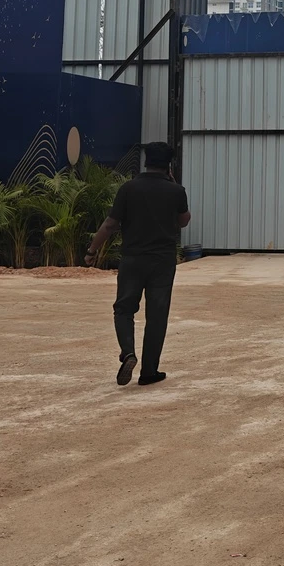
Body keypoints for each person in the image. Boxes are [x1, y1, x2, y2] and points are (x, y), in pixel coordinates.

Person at [85, 142, 191, 387]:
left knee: (124, 308)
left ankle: (128, 353)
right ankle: (149, 372)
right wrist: (174, 185)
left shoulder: (129, 188)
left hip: (133, 259)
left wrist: (92, 251)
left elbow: (110, 224)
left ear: (146, 162)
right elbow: (184, 221)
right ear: (169, 165)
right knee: (157, 316)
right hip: (163, 262)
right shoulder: (177, 191)